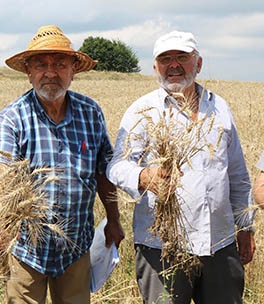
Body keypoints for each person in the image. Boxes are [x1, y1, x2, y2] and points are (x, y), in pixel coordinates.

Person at [107, 31, 255, 304]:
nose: (173, 65)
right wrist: (142, 176)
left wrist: (245, 227)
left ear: (198, 64)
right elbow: (116, 165)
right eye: (165, 59)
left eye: (182, 58)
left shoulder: (219, 108)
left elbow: (237, 174)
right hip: (162, 249)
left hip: (219, 243)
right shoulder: (143, 110)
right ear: (155, 68)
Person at [0, 25, 124, 304]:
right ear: (28, 71)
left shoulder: (90, 112)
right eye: (41, 64)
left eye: (60, 64)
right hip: (27, 248)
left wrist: (114, 219)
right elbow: (0, 177)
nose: (50, 72)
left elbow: (104, 171)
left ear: (73, 70)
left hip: (76, 244)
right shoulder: (13, 118)